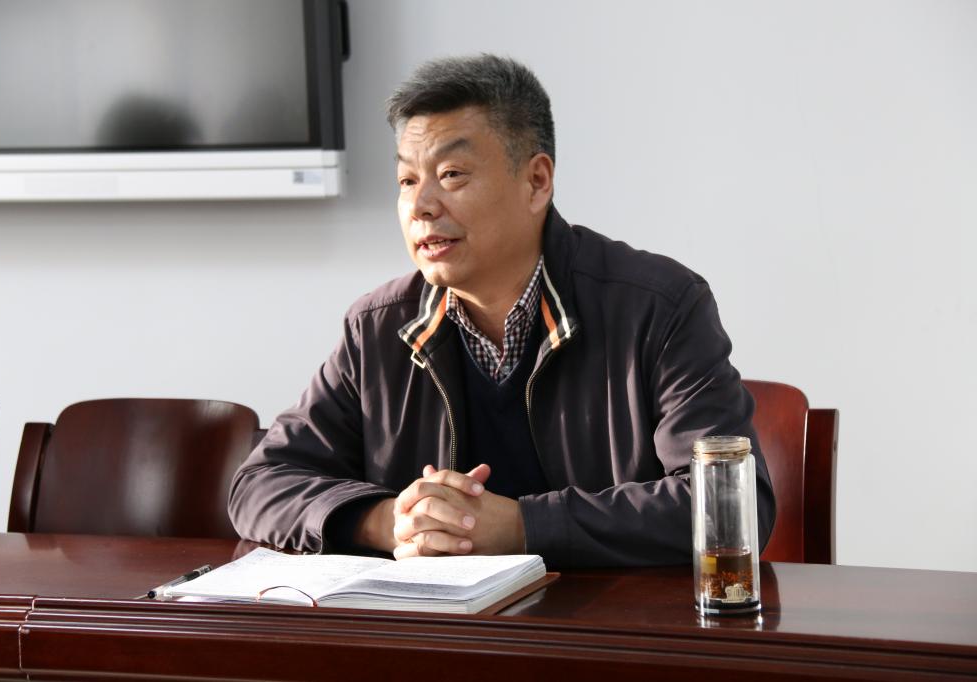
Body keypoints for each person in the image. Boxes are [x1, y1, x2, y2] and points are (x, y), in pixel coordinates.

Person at [228, 54, 776, 568]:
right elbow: (259, 482)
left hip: (605, 627)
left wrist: (522, 527)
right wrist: (391, 521)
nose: (421, 206)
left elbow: (731, 504)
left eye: (451, 175)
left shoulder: (659, 306)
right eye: (407, 180)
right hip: (439, 631)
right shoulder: (378, 327)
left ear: (537, 181)